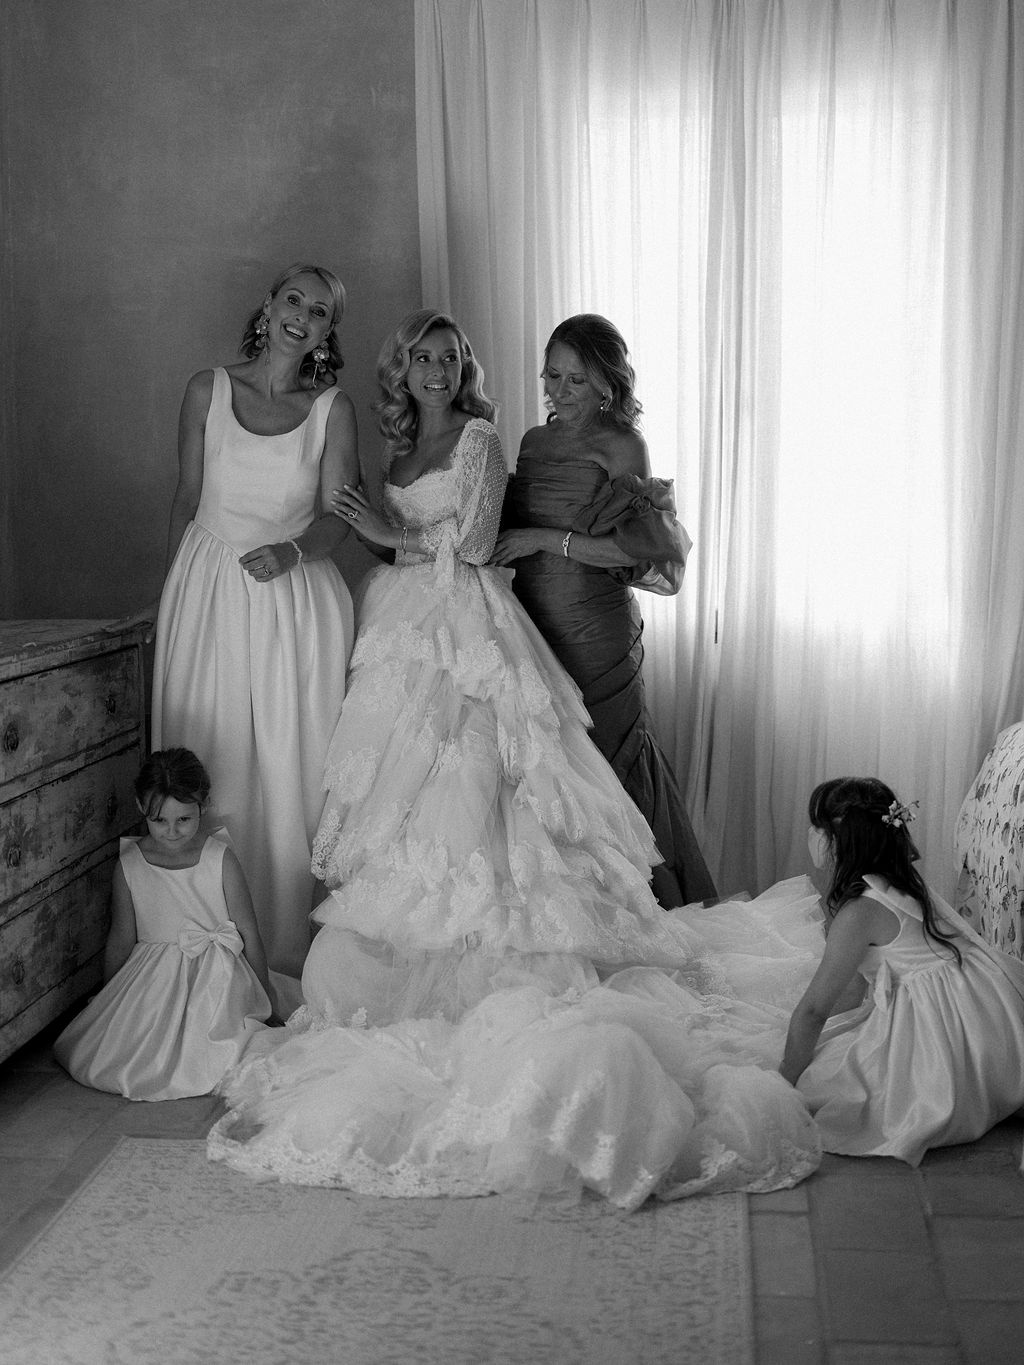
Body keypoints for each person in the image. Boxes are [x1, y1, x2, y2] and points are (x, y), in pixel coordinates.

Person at [206, 309, 822, 1210]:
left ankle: (519, 968)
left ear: (466, 367)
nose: (436, 369)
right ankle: (410, 977)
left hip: (471, 625)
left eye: (450, 357)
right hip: (403, 626)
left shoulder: (486, 440)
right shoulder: (411, 444)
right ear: (402, 368)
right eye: (422, 357)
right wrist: (370, 531)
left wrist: (386, 532)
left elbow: (476, 544)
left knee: (486, 790)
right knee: (409, 801)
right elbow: (399, 533)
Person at [150, 263, 359, 1014]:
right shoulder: (206, 390)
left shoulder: (331, 409)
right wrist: (172, 601)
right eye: (294, 300)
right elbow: (186, 497)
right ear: (269, 307)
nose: (303, 316)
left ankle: (286, 949)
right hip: (207, 592)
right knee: (211, 757)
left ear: (329, 331)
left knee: (291, 769)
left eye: (321, 311)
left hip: (292, 600)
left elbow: (340, 516)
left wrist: (293, 551)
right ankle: (197, 947)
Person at [492, 314, 715, 909]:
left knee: (606, 760)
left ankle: (637, 910)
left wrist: (544, 540)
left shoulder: (623, 446)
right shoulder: (532, 443)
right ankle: (567, 915)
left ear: (607, 384)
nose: (559, 392)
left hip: (595, 627)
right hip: (532, 618)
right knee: (549, 766)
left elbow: (635, 549)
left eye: (577, 380)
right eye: (552, 375)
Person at [781, 777, 1024, 1163]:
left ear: (838, 839)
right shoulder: (903, 883)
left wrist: (785, 1082)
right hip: (988, 1015)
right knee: (831, 1048)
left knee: (827, 1089)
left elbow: (814, 1010)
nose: (812, 836)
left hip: (944, 1031)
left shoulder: (860, 911)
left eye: (818, 828)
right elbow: (853, 990)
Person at [54, 749, 275, 1101]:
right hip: (152, 979)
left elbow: (249, 932)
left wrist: (266, 997)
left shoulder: (220, 858)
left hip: (216, 977)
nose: (171, 832)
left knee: (221, 1044)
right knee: (129, 1047)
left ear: (203, 805)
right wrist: (108, 997)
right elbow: (121, 938)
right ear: (141, 807)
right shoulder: (130, 865)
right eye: (159, 821)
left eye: (184, 819)